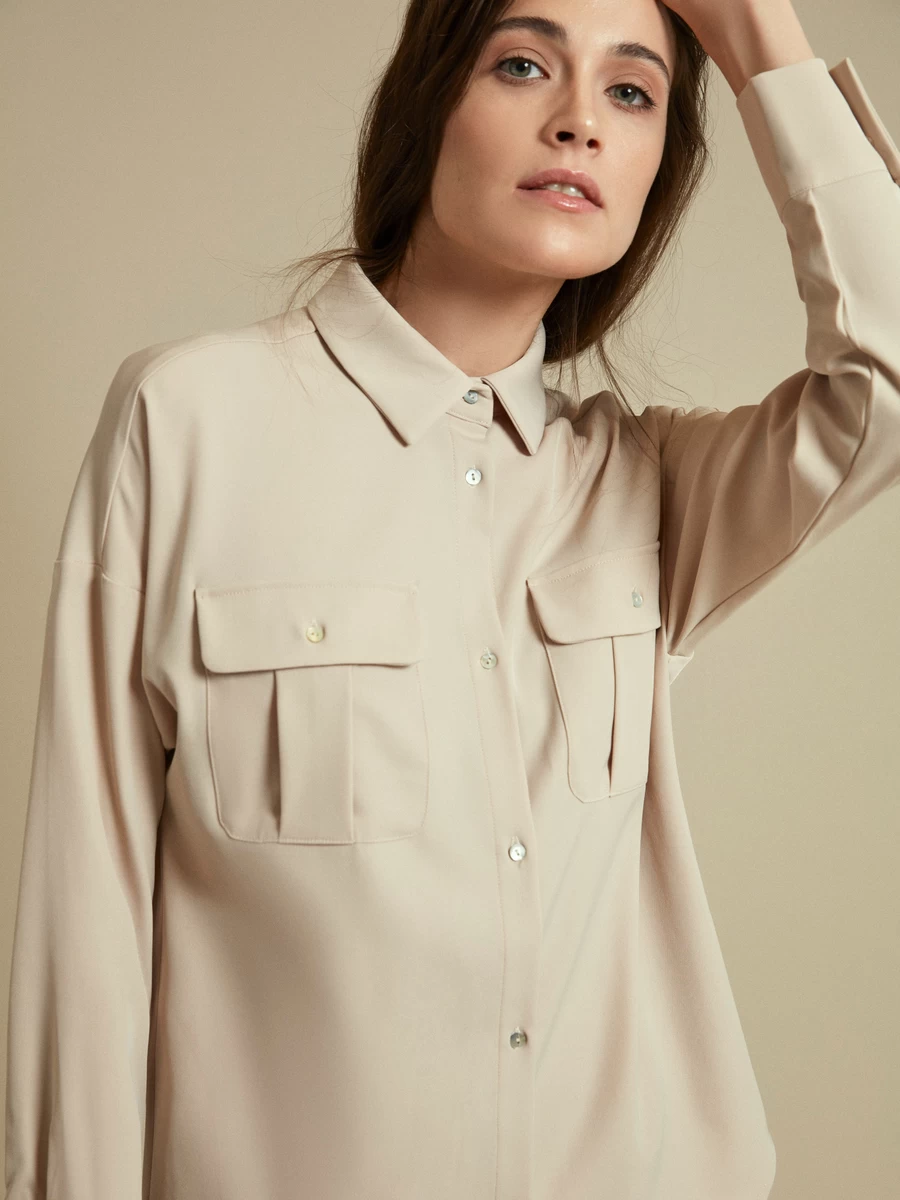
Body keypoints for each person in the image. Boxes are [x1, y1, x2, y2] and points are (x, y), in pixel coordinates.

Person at [4, 0, 899, 1197]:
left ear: (656, 176)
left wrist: (755, 39)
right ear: (429, 103)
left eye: (632, 92)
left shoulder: (650, 490)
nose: (580, 121)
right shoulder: (190, 422)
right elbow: (86, 921)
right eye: (523, 64)